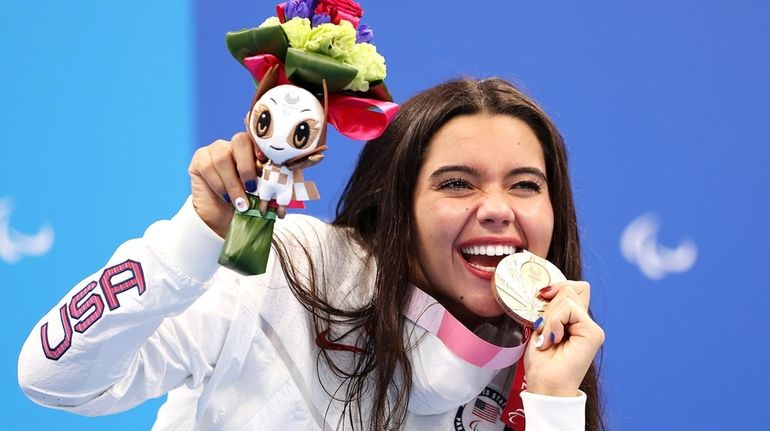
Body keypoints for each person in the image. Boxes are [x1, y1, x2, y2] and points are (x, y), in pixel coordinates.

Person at [18, 77, 605, 430]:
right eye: (457, 183)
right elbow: (53, 377)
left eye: (526, 185)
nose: (499, 208)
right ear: (396, 206)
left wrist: (553, 406)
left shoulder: (543, 365)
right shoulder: (292, 270)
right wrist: (195, 234)